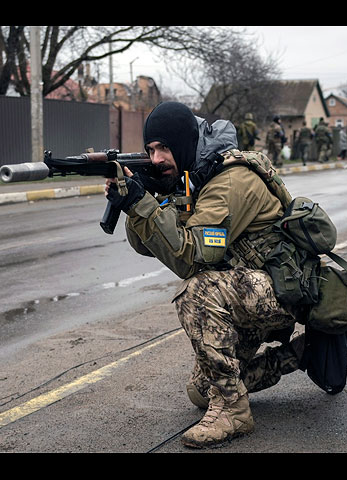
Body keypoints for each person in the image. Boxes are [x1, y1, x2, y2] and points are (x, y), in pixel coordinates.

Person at [104, 102, 305, 449]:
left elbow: (190, 258)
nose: (156, 159)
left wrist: (143, 203)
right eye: (151, 149)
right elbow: (148, 245)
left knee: (195, 292)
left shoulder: (228, 181)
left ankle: (233, 411)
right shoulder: (195, 175)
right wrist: (147, 196)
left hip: (283, 290)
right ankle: (300, 355)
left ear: (184, 144)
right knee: (198, 392)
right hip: (247, 291)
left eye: (164, 148)